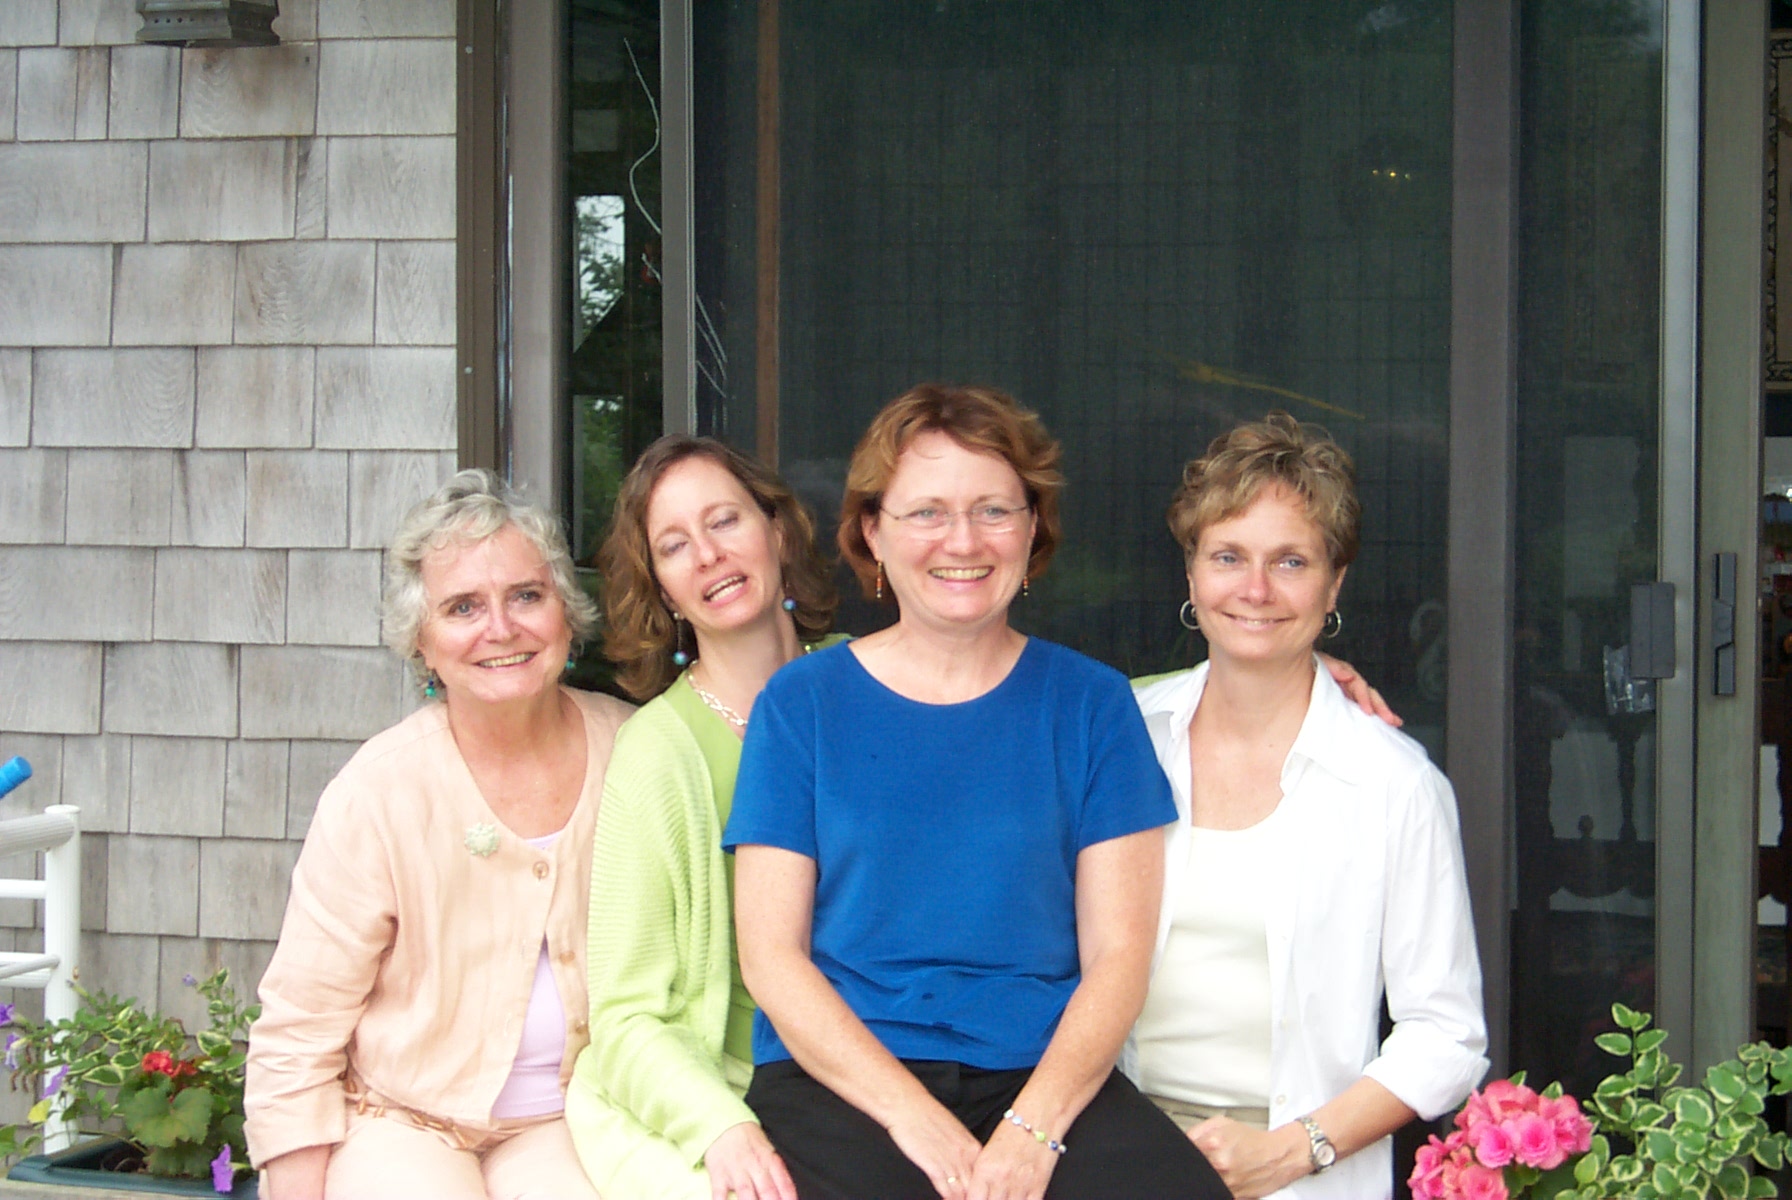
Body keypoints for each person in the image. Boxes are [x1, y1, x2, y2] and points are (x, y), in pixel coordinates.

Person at [725, 384, 1231, 1200]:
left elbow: (1118, 957)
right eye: (927, 512)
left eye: (994, 510)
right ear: (872, 531)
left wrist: (1032, 1131)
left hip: (1040, 1076)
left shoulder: (1092, 704)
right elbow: (771, 958)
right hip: (845, 1078)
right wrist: (914, 1120)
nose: (962, 541)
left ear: (1032, 529)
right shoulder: (801, 705)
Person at [1124, 413, 1488, 1200]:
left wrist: (1292, 1153)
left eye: (1290, 561)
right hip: (1112, 1159)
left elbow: (1446, 1035)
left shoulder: (1392, 782)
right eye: (1228, 557)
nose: (1255, 590)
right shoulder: (1123, 737)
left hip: (1295, 1174)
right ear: (1191, 573)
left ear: (1335, 582)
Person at [244, 470, 635, 1200]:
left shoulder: (634, 752)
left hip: (580, 1113)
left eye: (527, 595)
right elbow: (301, 1025)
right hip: (403, 1121)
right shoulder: (378, 791)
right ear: (422, 642)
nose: (502, 628)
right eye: (463, 607)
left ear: (565, 612)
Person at [565, 436, 841, 1200]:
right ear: (661, 589)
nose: (710, 555)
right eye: (675, 545)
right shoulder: (657, 755)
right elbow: (626, 1017)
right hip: (749, 1086)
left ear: (777, 530)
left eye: (724, 521)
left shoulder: (874, 681)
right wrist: (719, 1126)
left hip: (909, 1057)